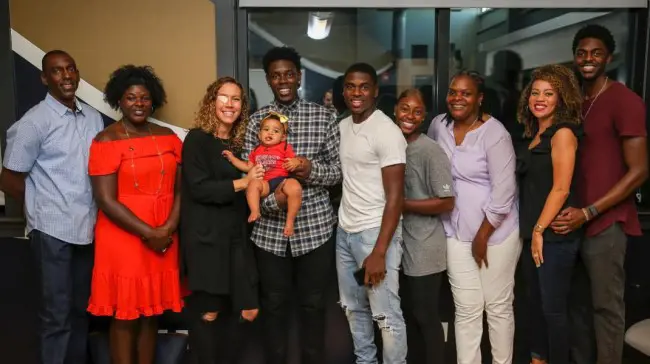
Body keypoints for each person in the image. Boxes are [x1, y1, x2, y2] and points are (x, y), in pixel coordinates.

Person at [550, 24, 648, 364]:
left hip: (606, 222)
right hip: (568, 222)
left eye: (596, 53)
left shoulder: (625, 100)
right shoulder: (574, 99)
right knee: (575, 305)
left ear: (609, 57)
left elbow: (640, 171)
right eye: (581, 53)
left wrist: (590, 211)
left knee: (606, 308)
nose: (588, 59)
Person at [0, 50, 104, 364]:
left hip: (87, 230)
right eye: (57, 71)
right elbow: (9, 178)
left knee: (79, 312)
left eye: (70, 68)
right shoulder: (34, 122)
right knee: (56, 316)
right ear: (45, 78)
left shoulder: (93, 117)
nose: (66, 76)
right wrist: (41, 208)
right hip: (52, 233)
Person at [242, 46, 341, 364]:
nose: (282, 80)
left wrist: (308, 169)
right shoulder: (256, 120)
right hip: (269, 235)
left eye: (288, 74)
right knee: (273, 306)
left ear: (298, 76)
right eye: (275, 75)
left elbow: (337, 173)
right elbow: (249, 177)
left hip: (314, 230)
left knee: (313, 307)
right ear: (268, 80)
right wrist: (273, 203)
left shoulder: (324, 116)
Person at [87, 65, 183, 364]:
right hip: (124, 238)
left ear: (152, 100)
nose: (138, 103)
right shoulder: (106, 140)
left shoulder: (167, 137)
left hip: (164, 235)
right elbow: (105, 200)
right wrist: (150, 232)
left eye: (144, 98)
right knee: (125, 314)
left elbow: (182, 190)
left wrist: (167, 228)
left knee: (152, 311)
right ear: (119, 100)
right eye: (130, 98)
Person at [427, 70, 520, 364]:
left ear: (479, 99)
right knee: (466, 309)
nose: (457, 98)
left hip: (495, 234)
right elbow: (430, 165)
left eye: (465, 93)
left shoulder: (496, 134)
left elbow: (504, 192)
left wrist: (482, 236)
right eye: (453, 91)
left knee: (497, 307)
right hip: (454, 232)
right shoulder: (438, 126)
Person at [180, 77, 262, 363]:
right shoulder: (197, 139)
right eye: (223, 97)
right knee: (209, 314)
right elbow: (199, 188)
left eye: (236, 98)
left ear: (242, 106)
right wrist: (244, 183)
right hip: (206, 242)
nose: (229, 104)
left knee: (247, 311)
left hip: (237, 239)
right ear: (211, 101)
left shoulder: (240, 144)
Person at [337, 62, 407, 364]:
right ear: (343, 91)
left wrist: (379, 251)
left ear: (375, 91)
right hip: (345, 233)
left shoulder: (386, 131)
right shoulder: (343, 126)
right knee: (354, 310)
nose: (357, 92)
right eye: (351, 86)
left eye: (364, 86)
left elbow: (396, 198)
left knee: (385, 315)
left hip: (375, 235)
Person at [516, 65, 583, 364]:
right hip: (533, 235)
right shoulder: (534, 133)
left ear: (561, 98)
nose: (539, 99)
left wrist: (540, 230)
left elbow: (561, 189)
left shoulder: (563, 133)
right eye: (535, 92)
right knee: (535, 307)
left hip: (553, 237)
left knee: (553, 311)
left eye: (548, 93)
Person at [396, 89, 454, 364]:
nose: (409, 116)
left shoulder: (430, 151)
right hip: (400, 247)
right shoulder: (390, 144)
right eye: (405, 108)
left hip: (425, 247)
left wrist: (403, 204)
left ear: (424, 117)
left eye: (417, 111)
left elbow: (446, 201)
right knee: (406, 315)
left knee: (426, 317)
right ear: (394, 110)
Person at [223, 111, 303, 236]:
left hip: (282, 180)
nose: (270, 133)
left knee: (295, 187)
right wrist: (232, 158)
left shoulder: (285, 147)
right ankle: (255, 211)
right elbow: (247, 166)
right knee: (253, 184)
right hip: (266, 183)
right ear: (259, 135)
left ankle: (290, 221)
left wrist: (295, 162)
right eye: (266, 129)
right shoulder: (256, 150)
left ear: (283, 137)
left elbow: (296, 160)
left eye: (276, 131)